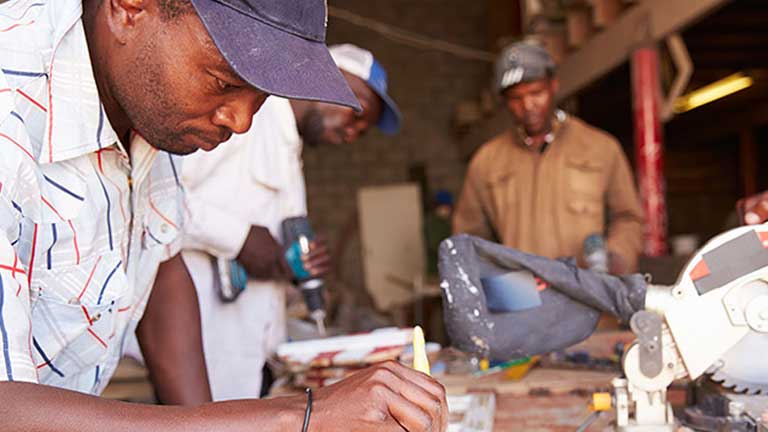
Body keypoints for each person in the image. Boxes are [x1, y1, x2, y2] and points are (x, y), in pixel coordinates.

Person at [0, 1, 446, 430]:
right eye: (224, 82)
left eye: (262, 97)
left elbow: (161, 262)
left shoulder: (151, 106)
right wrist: (301, 417)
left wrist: (209, 414)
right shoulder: (12, 112)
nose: (240, 122)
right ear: (131, 7)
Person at [179, 43, 402, 401]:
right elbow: (157, 202)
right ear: (327, 77)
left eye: (363, 131)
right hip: (199, 361)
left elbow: (273, 248)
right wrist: (238, 239)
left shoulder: (288, 144)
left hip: (256, 357)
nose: (353, 134)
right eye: (357, 115)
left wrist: (297, 266)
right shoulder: (241, 119)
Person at [453, 41, 644, 274]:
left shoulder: (600, 148)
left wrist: (616, 257)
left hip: (589, 295)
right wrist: (494, 284)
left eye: (536, 93)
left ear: (553, 85)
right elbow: (468, 239)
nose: (528, 105)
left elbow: (628, 218)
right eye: (516, 98)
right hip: (524, 302)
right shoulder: (486, 162)